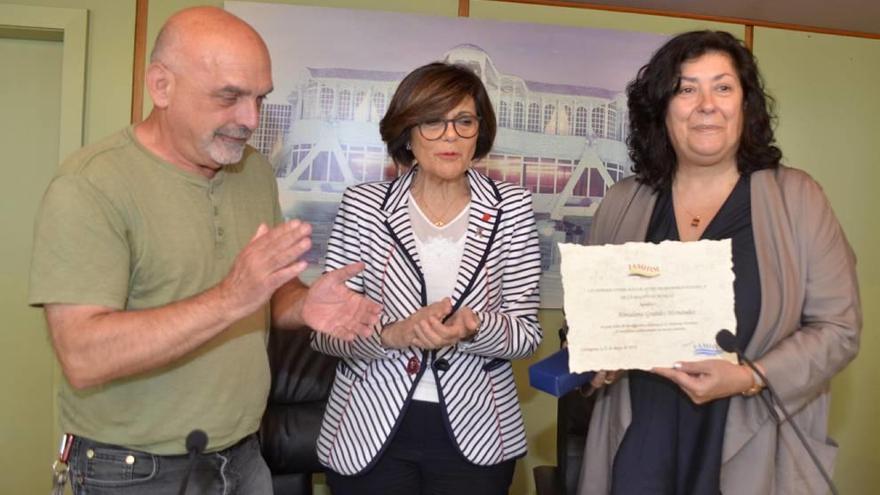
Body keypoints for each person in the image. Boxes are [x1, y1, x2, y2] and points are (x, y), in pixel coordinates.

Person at [28, 7, 380, 494]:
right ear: (161, 85)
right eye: (230, 96)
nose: (250, 119)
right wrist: (231, 297)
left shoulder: (251, 169)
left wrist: (302, 304)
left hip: (244, 456)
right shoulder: (90, 186)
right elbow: (83, 355)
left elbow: (267, 295)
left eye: (260, 98)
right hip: (133, 470)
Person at [576, 30, 861, 495]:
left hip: (753, 438)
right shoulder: (622, 204)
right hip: (638, 439)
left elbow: (839, 328)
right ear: (662, 110)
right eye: (686, 89)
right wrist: (597, 357)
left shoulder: (798, 199)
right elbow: (588, 323)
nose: (706, 104)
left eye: (722, 87)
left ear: (745, 106)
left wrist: (752, 377)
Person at [310, 62, 542, 494]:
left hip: (480, 431)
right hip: (368, 430)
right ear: (407, 133)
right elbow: (326, 334)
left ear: (480, 131)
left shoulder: (512, 208)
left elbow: (526, 334)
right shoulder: (363, 207)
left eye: (464, 121)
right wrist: (394, 334)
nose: (451, 135)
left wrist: (475, 327)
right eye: (433, 121)